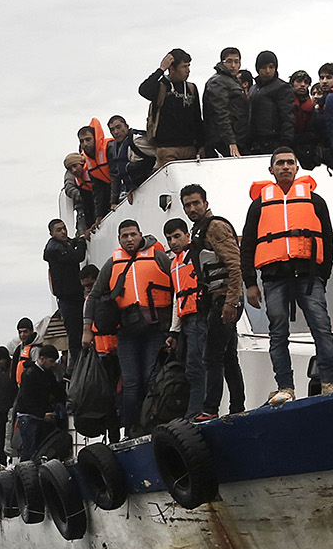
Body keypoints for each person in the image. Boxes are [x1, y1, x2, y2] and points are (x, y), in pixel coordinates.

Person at [243, 149, 333, 402]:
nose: (285, 167)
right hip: (274, 276)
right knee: (278, 333)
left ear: (297, 168)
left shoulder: (315, 200)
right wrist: (250, 283)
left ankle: (329, 382)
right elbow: (248, 245)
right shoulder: (259, 204)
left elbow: (327, 240)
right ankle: (285, 387)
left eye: (290, 163)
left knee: (322, 328)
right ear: (271, 170)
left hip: (309, 276)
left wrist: (324, 275)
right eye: (280, 163)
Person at [180, 183, 247, 415]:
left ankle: (210, 409)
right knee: (228, 357)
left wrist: (232, 301)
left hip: (225, 298)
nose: (192, 208)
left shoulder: (215, 227)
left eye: (196, 203)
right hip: (217, 298)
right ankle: (237, 406)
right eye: (187, 205)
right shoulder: (200, 229)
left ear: (206, 204)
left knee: (212, 356)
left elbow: (234, 264)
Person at [104, 221, 174, 435]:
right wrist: (88, 328)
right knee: (131, 383)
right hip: (127, 331)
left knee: (151, 378)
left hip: (155, 329)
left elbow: (176, 285)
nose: (129, 239)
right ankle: (131, 428)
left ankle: (152, 422)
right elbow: (96, 294)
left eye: (133, 234)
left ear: (140, 235)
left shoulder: (159, 256)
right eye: (124, 236)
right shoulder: (112, 263)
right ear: (119, 239)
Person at [161, 218, 210, 418]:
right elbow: (177, 298)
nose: (173, 242)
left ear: (187, 235)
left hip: (200, 317)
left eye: (177, 236)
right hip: (187, 321)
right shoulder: (175, 264)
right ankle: (195, 410)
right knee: (192, 368)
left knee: (195, 368)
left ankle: (196, 413)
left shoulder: (197, 254)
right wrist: (174, 330)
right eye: (169, 238)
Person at [138, 49, 204, 165]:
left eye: (188, 66)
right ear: (172, 68)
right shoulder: (161, 86)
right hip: (167, 149)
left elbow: (197, 117)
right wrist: (161, 69)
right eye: (184, 67)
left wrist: (201, 144)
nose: (188, 70)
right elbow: (143, 90)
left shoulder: (191, 88)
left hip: (189, 147)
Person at [13, 343, 66, 459]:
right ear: (42, 359)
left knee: (39, 451)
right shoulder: (29, 374)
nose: (53, 365)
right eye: (51, 361)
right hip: (28, 417)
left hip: (39, 417)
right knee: (29, 451)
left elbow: (57, 391)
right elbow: (27, 399)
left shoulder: (47, 374)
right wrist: (42, 414)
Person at [43, 219, 87, 352]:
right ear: (51, 233)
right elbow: (78, 256)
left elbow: (70, 244)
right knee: (75, 336)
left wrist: (78, 239)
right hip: (69, 298)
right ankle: (78, 367)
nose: (63, 232)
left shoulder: (59, 245)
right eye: (59, 230)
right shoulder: (56, 250)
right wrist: (82, 241)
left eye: (64, 228)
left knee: (76, 335)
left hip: (71, 296)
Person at [245, 51, 296, 159]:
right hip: (254, 143)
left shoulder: (283, 88)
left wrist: (285, 143)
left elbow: (288, 117)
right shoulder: (253, 89)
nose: (268, 71)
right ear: (258, 69)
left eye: (271, 67)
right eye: (264, 67)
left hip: (274, 141)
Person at [204, 47, 249, 158]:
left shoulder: (233, 81)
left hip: (234, 137)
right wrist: (231, 141)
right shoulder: (218, 82)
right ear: (222, 63)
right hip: (222, 141)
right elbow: (220, 114)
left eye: (236, 61)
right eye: (229, 61)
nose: (233, 65)